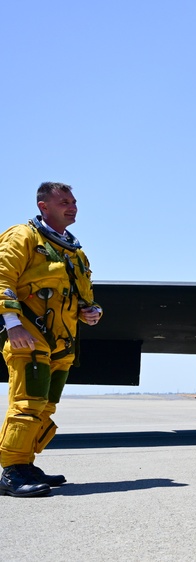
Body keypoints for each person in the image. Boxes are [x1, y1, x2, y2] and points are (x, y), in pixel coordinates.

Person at [0, 182, 102, 497]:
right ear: (44, 205)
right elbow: (2, 278)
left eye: (74, 202)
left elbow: (85, 296)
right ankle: (11, 471)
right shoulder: (23, 237)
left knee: (46, 406)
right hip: (29, 338)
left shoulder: (74, 250)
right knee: (28, 403)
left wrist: (93, 311)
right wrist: (12, 324)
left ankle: (26, 463)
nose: (72, 207)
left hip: (63, 342)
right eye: (64, 202)